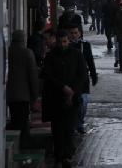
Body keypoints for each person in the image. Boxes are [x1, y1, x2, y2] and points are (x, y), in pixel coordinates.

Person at [41, 30, 87, 167]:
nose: (62, 44)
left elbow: (82, 74)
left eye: (65, 41)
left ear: (69, 41)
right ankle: (59, 155)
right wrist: (62, 87)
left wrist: (72, 91)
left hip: (72, 98)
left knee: (69, 127)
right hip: (56, 98)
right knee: (57, 129)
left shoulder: (77, 55)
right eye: (60, 42)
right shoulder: (51, 56)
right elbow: (48, 76)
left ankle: (67, 154)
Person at [6, 30, 39, 147]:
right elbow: (33, 75)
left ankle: (19, 143)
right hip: (23, 95)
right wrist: (35, 95)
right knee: (22, 121)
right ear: (23, 39)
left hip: (9, 94)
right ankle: (22, 144)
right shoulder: (27, 53)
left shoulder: (7, 51)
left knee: (15, 119)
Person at [65, 22, 98, 134]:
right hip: (70, 79)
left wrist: (94, 75)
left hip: (83, 79)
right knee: (74, 103)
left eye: (75, 33)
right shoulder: (66, 46)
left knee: (83, 102)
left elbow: (90, 61)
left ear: (80, 34)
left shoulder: (85, 46)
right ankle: (77, 124)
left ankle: (79, 122)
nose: (73, 35)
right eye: (71, 33)